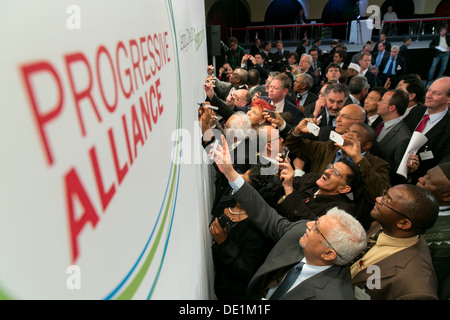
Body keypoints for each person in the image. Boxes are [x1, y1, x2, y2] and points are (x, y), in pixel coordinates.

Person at [210, 135, 367, 300]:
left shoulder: (332, 296)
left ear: (329, 254)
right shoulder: (300, 231)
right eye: (316, 222)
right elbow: (264, 213)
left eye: (316, 229)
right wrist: (230, 173)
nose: (308, 225)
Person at [287, 121, 391, 229]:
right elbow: (295, 146)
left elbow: (380, 194)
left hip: (342, 225)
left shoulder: (379, 165)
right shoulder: (330, 147)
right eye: (347, 132)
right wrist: (297, 131)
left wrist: (358, 158)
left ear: (367, 145)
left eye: (354, 135)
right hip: (311, 205)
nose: (347, 136)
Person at [351, 184, 439, 300]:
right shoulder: (386, 224)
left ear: (404, 224)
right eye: (385, 194)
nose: (378, 199)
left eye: (386, 201)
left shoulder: (416, 288)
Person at [209, 163, 280, 300]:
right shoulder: (229, 197)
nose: (238, 178)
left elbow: (247, 272)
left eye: (244, 181)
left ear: (253, 195)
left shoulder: (259, 229)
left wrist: (224, 243)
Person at [275, 157, 360, 221]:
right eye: (330, 167)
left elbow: (313, 226)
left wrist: (289, 188)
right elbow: (279, 189)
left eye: (336, 172)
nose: (327, 171)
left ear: (344, 189)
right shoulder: (312, 178)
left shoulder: (340, 210)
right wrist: (280, 173)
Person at [403, 77, 450, 184]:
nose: (428, 96)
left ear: (448, 99)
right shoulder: (416, 111)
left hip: (418, 182)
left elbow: (442, 164)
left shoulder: (448, 127)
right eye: (429, 90)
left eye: (436, 93)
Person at [417, 162, 450, 300]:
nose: (421, 179)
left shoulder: (444, 237)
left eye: (428, 181)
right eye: (426, 174)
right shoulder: (421, 203)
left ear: (447, 197)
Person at [375, 89, 412, 184]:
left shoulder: (403, 138)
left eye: (382, 101)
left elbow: (397, 172)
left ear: (392, 108)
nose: (378, 103)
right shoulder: (380, 124)